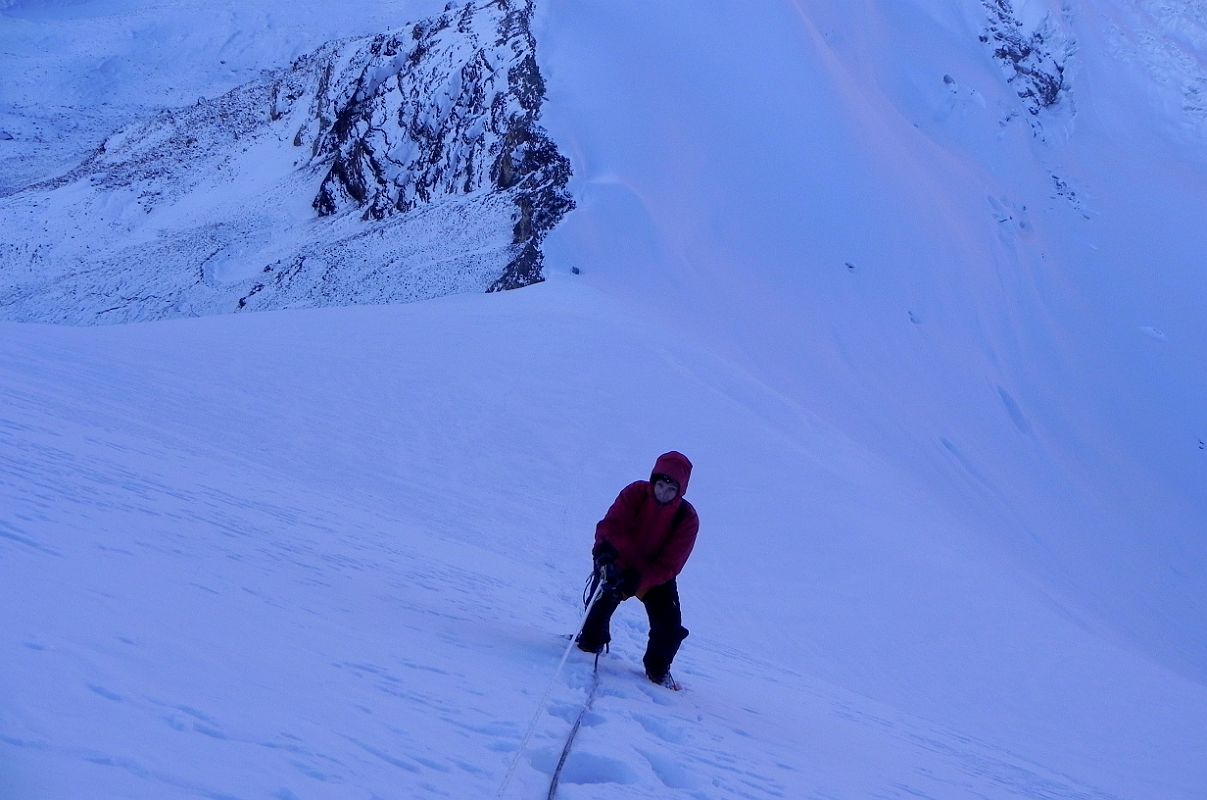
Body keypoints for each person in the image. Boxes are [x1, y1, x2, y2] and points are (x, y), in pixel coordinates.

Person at [576, 451, 699, 686]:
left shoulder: (687, 518)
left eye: (671, 489)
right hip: (617, 565)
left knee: (669, 627)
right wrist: (604, 556)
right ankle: (591, 642)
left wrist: (640, 580)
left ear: (680, 492)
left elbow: (671, 563)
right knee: (594, 621)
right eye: (661, 485)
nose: (664, 492)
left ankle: (658, 671)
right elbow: (610, 526)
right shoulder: (635, 493)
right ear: (653, 481)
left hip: (655, 578)